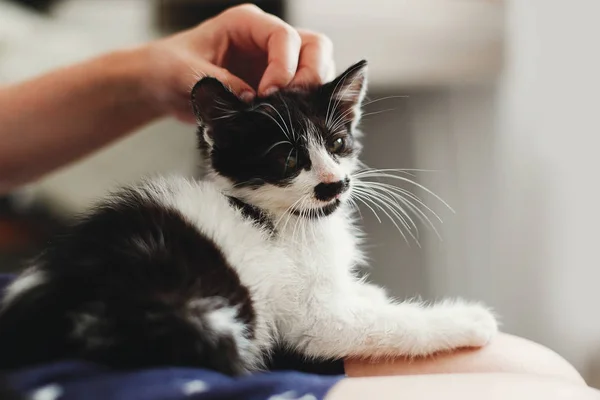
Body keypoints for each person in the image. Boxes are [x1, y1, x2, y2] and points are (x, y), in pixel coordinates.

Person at [0, 4, 597, 399]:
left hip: (68, 315)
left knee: (543, 374)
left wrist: (141, 75)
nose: (330, 175)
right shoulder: (242, 219)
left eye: (338, 146)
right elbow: (322, 326)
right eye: (291, 161)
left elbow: (315, 305)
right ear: (222, 149)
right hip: (137, 339)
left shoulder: (249, 221)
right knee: (534, 385)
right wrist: (439, 323)